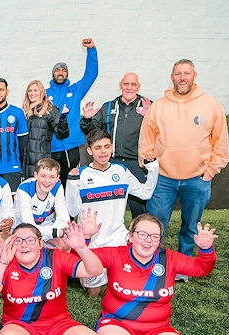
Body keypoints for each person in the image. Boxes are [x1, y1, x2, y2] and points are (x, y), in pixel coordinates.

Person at [84, 214, 217, 335]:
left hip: (157, 328)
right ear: (130, 236)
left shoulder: (169, 258)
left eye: (154, 236)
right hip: (117, 324)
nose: (148, 240)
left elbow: (201, 269)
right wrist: (86, 239)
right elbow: (77, 262)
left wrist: (205, 249)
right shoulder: (116, 254)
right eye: (142, 234)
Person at [139, 59, 229, 282]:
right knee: (156, 224)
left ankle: (184, 267)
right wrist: (147, 160)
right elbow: (146, 139)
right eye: (178, 74)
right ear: (172, 77)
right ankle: (154, 264)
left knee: (191, 225)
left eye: (186, 73)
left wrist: (210, 171)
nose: (182, 78)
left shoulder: (211, 105)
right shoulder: (159, 106)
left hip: (197, 179)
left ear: (194, 76)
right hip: (163, 179)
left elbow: (221, 143)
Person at [66, 128, 159, 296]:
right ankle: (88, 271)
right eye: (98, 147)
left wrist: (153, 168)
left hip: (117, 238)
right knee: (94, 292)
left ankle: (114, 271)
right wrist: (72, 183)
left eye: (107, 146)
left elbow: (145, 193)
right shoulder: (81, 174)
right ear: (89, 151)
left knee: (126, 288)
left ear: (112, 147)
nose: (103, 151)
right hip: (92, 241)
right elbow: (72, 210)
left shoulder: (121, 171)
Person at [80, 72, 152, 218]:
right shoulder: (108, 107)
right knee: (106, 201)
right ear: (120, 86)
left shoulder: (148, 106)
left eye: (133, 84)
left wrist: (150, 117)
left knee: (138, 204)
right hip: (112, 162)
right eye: (126, 84)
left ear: (138, 86)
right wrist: (87, 119)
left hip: (136, 163)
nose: (129, 88)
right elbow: (93, 133)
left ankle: (137, 235)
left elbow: (160, 131)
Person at [46, 38, 98, 186]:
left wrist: (91, 50)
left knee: (72, 181)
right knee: (52, 182)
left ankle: (71, 209)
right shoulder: (45, 94)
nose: (60, 72)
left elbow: (91, 74)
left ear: (67, 74)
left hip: (72, 145)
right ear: (53, 74)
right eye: (57, 70)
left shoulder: (75, 91)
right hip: (52, 145)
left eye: (64, 70)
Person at [14, 158, 70, 249]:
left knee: (64, 244)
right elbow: (28, 227)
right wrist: (55, 232)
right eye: (43, 176)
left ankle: (50, 261)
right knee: (32, 242)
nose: (47, 181)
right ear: (36, 175)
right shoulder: (24, 189)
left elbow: (64, 221)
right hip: (23, 232)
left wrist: (54, 231)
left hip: (46, 229)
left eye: (52, 177)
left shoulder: (58, 187)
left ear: (57, 178)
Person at [22, 80, 69, 180]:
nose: (32, 93)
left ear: (41, 92)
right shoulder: (24, 112)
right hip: (25, 163)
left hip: (41, 163)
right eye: (29, 91)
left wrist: (63, 118)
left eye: (35, 90)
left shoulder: (49, 109)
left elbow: (61, 134)